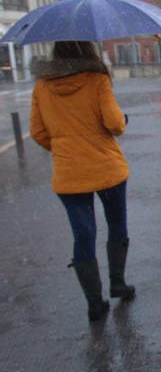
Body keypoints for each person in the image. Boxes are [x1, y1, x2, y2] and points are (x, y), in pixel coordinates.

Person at [30, 41, 135, 323]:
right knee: (116, 223)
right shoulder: (97, 80)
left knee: (83, 234)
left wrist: (66, 148)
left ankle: (94, 304)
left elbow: (38, 132)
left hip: (69, 172)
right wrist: (120, 123)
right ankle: (117, 283)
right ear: (87, 51)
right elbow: (114, 123)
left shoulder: (42, 86)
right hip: (106, 167)